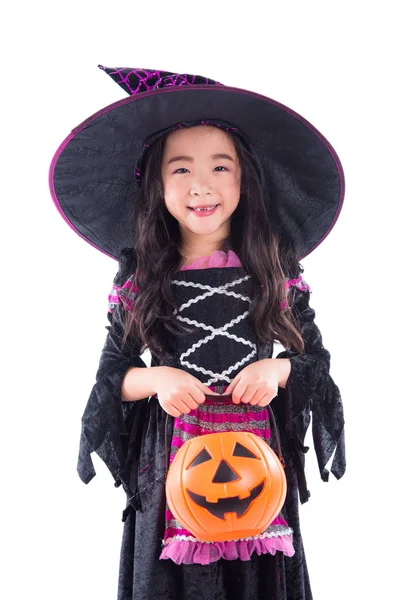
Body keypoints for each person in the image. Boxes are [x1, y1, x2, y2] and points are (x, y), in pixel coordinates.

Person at [49, 66, 346, 600]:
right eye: (181, 169)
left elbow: (315, 362)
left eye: (220, 166)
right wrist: (157, 378)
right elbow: (111, 376)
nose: (201, 185)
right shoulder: (142, 278)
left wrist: (278, 368)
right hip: (171, 462)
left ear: (244, 178)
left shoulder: (274, 269)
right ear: (157, 184)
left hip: (255, 455)